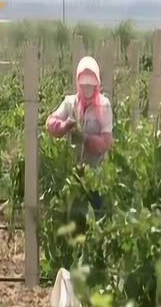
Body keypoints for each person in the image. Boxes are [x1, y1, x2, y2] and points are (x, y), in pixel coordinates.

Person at [46, 56, 114, 215]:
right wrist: (63, 126)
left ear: (97, 83)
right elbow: (50, 122)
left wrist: (85, 138)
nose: (87, 87)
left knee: (96, 214)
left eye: (91, 83)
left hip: (96, 175)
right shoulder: (71, 102)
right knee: (73, 217)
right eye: (83, 83)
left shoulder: (104, 105)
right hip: (73, 174)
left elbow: (107, 142)